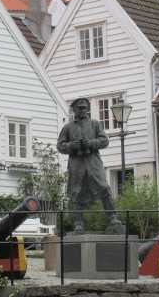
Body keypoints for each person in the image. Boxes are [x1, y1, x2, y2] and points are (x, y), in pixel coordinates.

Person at [57, 97, 123, 232]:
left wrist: (92, 143)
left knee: (104, 187)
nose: (83, 110)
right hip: (77, 164)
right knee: (76, 192)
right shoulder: (68, 128)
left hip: (93, 162)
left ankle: (112, 219)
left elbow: (104, 140)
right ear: (74, 110)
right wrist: (71, 146)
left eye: (84, 108)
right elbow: (60, 146)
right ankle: (78, 224)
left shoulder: (94, 124)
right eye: (80, 108)